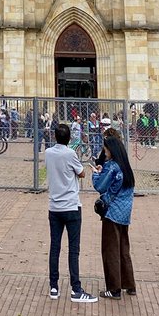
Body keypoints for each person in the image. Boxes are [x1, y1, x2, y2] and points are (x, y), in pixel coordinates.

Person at [45, 122, 96, 303]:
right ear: (69, 138)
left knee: (55, 247)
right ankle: (76, 288)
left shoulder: (48, 153)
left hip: (54, 207)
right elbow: (81, 173)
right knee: (73, 250)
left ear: (55, 137)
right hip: (71, 206)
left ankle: (53, 286)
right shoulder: (71, 153)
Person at [92, 130, 136, 299]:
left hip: (112, 212)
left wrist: (96, 174)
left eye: (106, 150)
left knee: (110, 250)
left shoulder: (112, 167)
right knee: (124, 248)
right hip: (125, 213)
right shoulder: (125, 166)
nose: (105, 153)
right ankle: (129, 283)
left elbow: (100, 187)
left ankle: (114, 288)